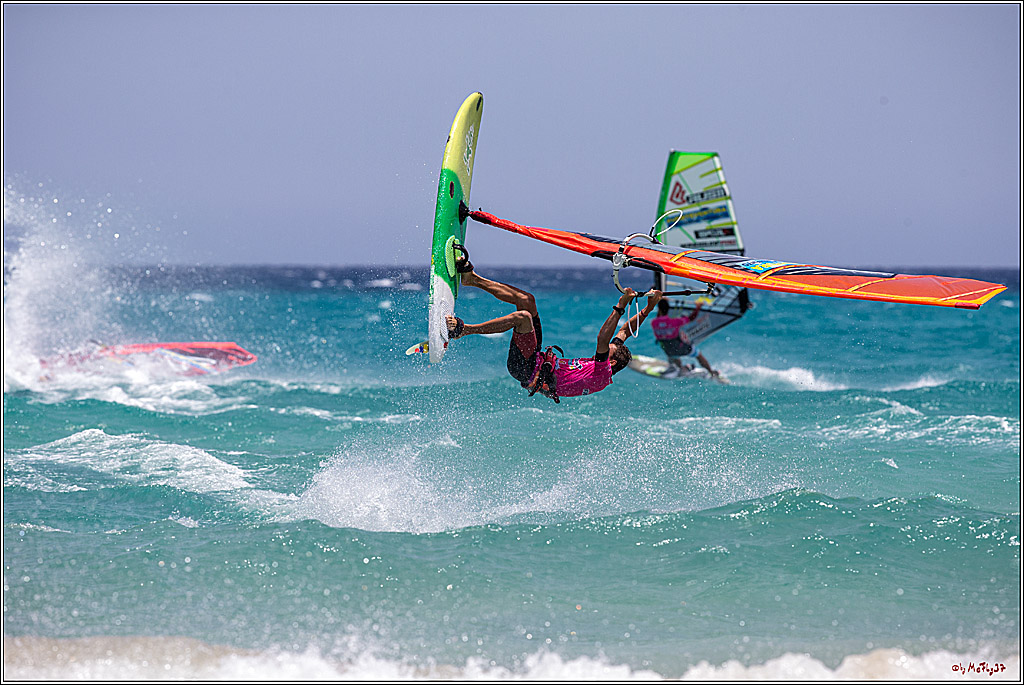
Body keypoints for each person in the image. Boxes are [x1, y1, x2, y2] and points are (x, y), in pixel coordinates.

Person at [445, 256, 662, 401]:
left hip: (526, 369)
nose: (608, 348)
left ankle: (463, 330)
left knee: (522, 318)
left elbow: (602, 340)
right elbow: (624, 331)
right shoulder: (610, 359)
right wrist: (649, 308)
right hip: (536, 358)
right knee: (527, 301)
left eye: (610, 352)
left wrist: (620, 306)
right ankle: (472, 280)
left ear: (611, 362)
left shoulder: (601, 372)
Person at [650, 298, 721, 379]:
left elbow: (659, 319)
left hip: (668, 350)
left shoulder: (654, 323)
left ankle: (681, 369)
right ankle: (711, 372)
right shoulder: (675, 321)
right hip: (681, 348)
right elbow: (691, 318)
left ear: (659, 309)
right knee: (698, 354)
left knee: (673, 353)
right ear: (668, 309)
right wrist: (698, 308)